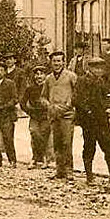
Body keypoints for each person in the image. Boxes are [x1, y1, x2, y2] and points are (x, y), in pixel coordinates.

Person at [74, 58, 110, 185]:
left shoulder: (101, 81)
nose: (99, 70)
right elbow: (77, 100)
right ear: (89, 68)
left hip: (102, 120)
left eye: (101, 68)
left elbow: (105, 98)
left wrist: (109, 108)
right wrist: (89, 112)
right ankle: (89, 177)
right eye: (96, 68)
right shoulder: (82, 81)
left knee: (109, 146)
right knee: (89, 147)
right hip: (89, 121)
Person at [46, 51, 77, 180]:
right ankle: (59, 170)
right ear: (51, 63)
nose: (57, 63)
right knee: (57, 142)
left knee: (67, 142)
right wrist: (49, 105)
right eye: (54, 61)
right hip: (54, 115)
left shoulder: (71, 76)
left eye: (59, 61)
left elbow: (77, 92)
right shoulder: (48, 79)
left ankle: (69, 170)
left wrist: (70, 103)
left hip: (67, 114)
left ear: (64, 62)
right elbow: (43, 97)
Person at [21, 65, 52, 169]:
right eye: (37, 74)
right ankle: (36, 158)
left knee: (44, 134)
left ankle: (44, 158)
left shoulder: (49, 87)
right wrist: (29, 111)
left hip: (46, 116)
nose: (39, 76)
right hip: (34, 116)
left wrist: (50, 110)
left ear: (45, 75)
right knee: (34, 133)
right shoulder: (30, 88)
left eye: (41, 74)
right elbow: (22, 102)